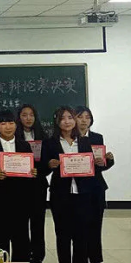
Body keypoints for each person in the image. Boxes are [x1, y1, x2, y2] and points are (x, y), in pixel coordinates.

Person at [42, 106, 101, 263]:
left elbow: (93, 168)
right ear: (57, 122)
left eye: (70, 117)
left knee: (81, 235)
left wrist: (99, 162)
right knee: (62, 235)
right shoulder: (49, 143)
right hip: (60, 195)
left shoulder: (85, 141)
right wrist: (49, 164)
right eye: (62, 118)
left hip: (83, 194)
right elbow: (42, 169)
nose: (67, 121)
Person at [0, 110, 38, 262]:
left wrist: (32, 172)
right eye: (3, 124)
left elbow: (29, 174)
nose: (8, 127)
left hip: (20, 202)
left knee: (21, 241)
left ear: (16, 125)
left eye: (11, 123)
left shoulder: (24, 145)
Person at [75, 106, 115, 263]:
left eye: (87, 117)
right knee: (80, 227)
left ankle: (95, 258)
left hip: (96, 187)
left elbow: (100, 167)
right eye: (80, 117)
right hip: (77, 189)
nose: (84, 120)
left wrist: (108, 161)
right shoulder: (69, 139)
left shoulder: (97, 138)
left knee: (96, 225)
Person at [16, 104, 48, 263]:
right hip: (19, 186)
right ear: (19, 117)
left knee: (38, 223)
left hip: (38, 185)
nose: (28, 118)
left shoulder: (44, 136)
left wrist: (39, 171)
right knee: (20, 223)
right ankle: (23, 253)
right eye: (24, 115)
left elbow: (49, 162)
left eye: (31, 115)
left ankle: (38, 255)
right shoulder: (14, 136)